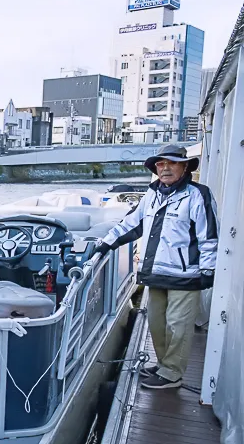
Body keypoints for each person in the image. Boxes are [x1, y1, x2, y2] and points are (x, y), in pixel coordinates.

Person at [88, 144, 218, 390]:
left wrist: (208, 271)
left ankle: (172, 374)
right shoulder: (152, 194)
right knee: (157, 324)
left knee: (178, 325)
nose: (165, 168)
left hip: (185, 274)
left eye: (171, 163)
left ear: (184, 167)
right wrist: (104, 245)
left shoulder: (198, 194)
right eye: (160, 164)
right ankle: (163, 364)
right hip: (155, 272)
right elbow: (131, 224)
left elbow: (209, 235)